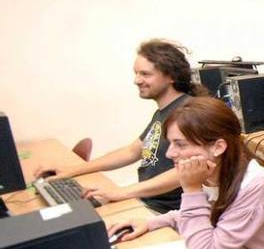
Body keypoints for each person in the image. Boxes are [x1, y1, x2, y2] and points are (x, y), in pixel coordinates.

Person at [107, 97, 264, 249]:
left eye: (179, 144)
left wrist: (191, 189)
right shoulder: (216, 172)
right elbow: (206, 213)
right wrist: (152, 222)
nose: (170, 153)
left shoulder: (254, 183)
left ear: (218, 147)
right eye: (170, 143)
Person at [33, 39, 204, 212]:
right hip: (146, 201)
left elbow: (184, 172)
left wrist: (122, 192)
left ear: (171, 76)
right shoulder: (164, 111)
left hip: (165, 211)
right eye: (136, 73)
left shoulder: (187, 112)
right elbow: (131, 151)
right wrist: (72, 170)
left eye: (145, 74)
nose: (136, 80)